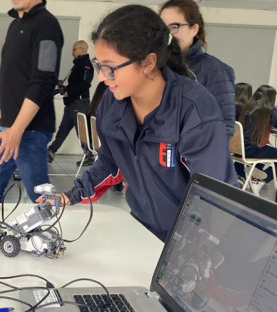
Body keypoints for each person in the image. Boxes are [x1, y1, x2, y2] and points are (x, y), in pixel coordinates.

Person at [38, 5, 238, 242]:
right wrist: (71, 196)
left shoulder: (193, 110)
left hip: (190, 240)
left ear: (148, 62)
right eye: (100, 65)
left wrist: (195, 254)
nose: (102, 78)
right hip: (142, 229)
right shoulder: (112, 106)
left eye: (110, 68)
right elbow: (111, 163)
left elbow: (214, 198)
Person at [0, 0, 63, 202]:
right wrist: (2, 119)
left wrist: (16, 129)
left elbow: (42, 81)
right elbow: (13, 80)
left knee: (41, 202)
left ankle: (46, 234)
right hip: (8, 127)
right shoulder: (15, 25)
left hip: (30, 130)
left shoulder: (47, 25)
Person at [160, 0, 236, 140]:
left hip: (193, 155)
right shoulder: (159, 67)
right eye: (163, 29)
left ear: (194, 29)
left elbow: (224, 127)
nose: (168, 35)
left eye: (174, 27)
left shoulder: (214, 70)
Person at [48, 40, 94, 165]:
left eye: (74, 49)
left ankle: (89, 155)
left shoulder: (85, 65)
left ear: (81, 50)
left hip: (78, 102)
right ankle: (51, 151)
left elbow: (85, 83)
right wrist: (64, 88)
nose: (72, 52)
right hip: (72, 102)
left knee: (81, 129)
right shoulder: (79, 64)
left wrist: (69, 92)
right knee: (64, 128)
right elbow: (76, 83)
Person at [238, 85, 277, 195]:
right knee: (266, 149)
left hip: (239, 150)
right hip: (252, 151)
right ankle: (261, 179)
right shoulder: (269, 111)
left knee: (265, 148)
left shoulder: (247, 107)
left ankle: (254, 175)